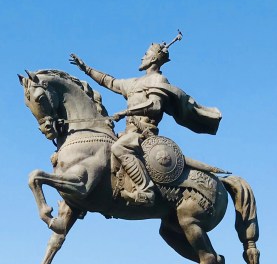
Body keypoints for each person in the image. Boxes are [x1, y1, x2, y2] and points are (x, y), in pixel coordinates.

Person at [69, 33, 221, 207]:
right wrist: (86, 68)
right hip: (127, 132)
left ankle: (145, 190)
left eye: (147, 53)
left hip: (144, 134)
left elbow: (155, 105)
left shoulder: (159, 80)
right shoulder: (133, 83)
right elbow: (109, 81)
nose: (142, 56)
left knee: (119, 147)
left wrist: (127, 112)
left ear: (155, 58)